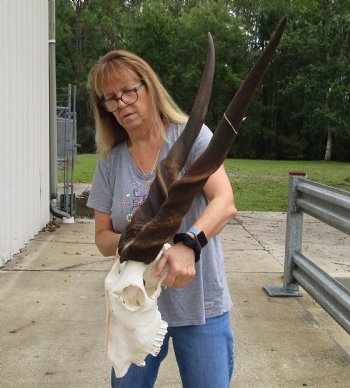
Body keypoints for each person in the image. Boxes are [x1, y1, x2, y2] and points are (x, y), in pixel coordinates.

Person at [87, 49, 237, 388]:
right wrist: (130, 242)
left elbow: (224, 202)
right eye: (110, 99)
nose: (121, 104)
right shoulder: (110, 160)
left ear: (149, 87)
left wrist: (189, 243)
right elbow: (102, 237)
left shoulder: (191, 137)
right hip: (135, 305)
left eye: (128, 91)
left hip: (200, 304)